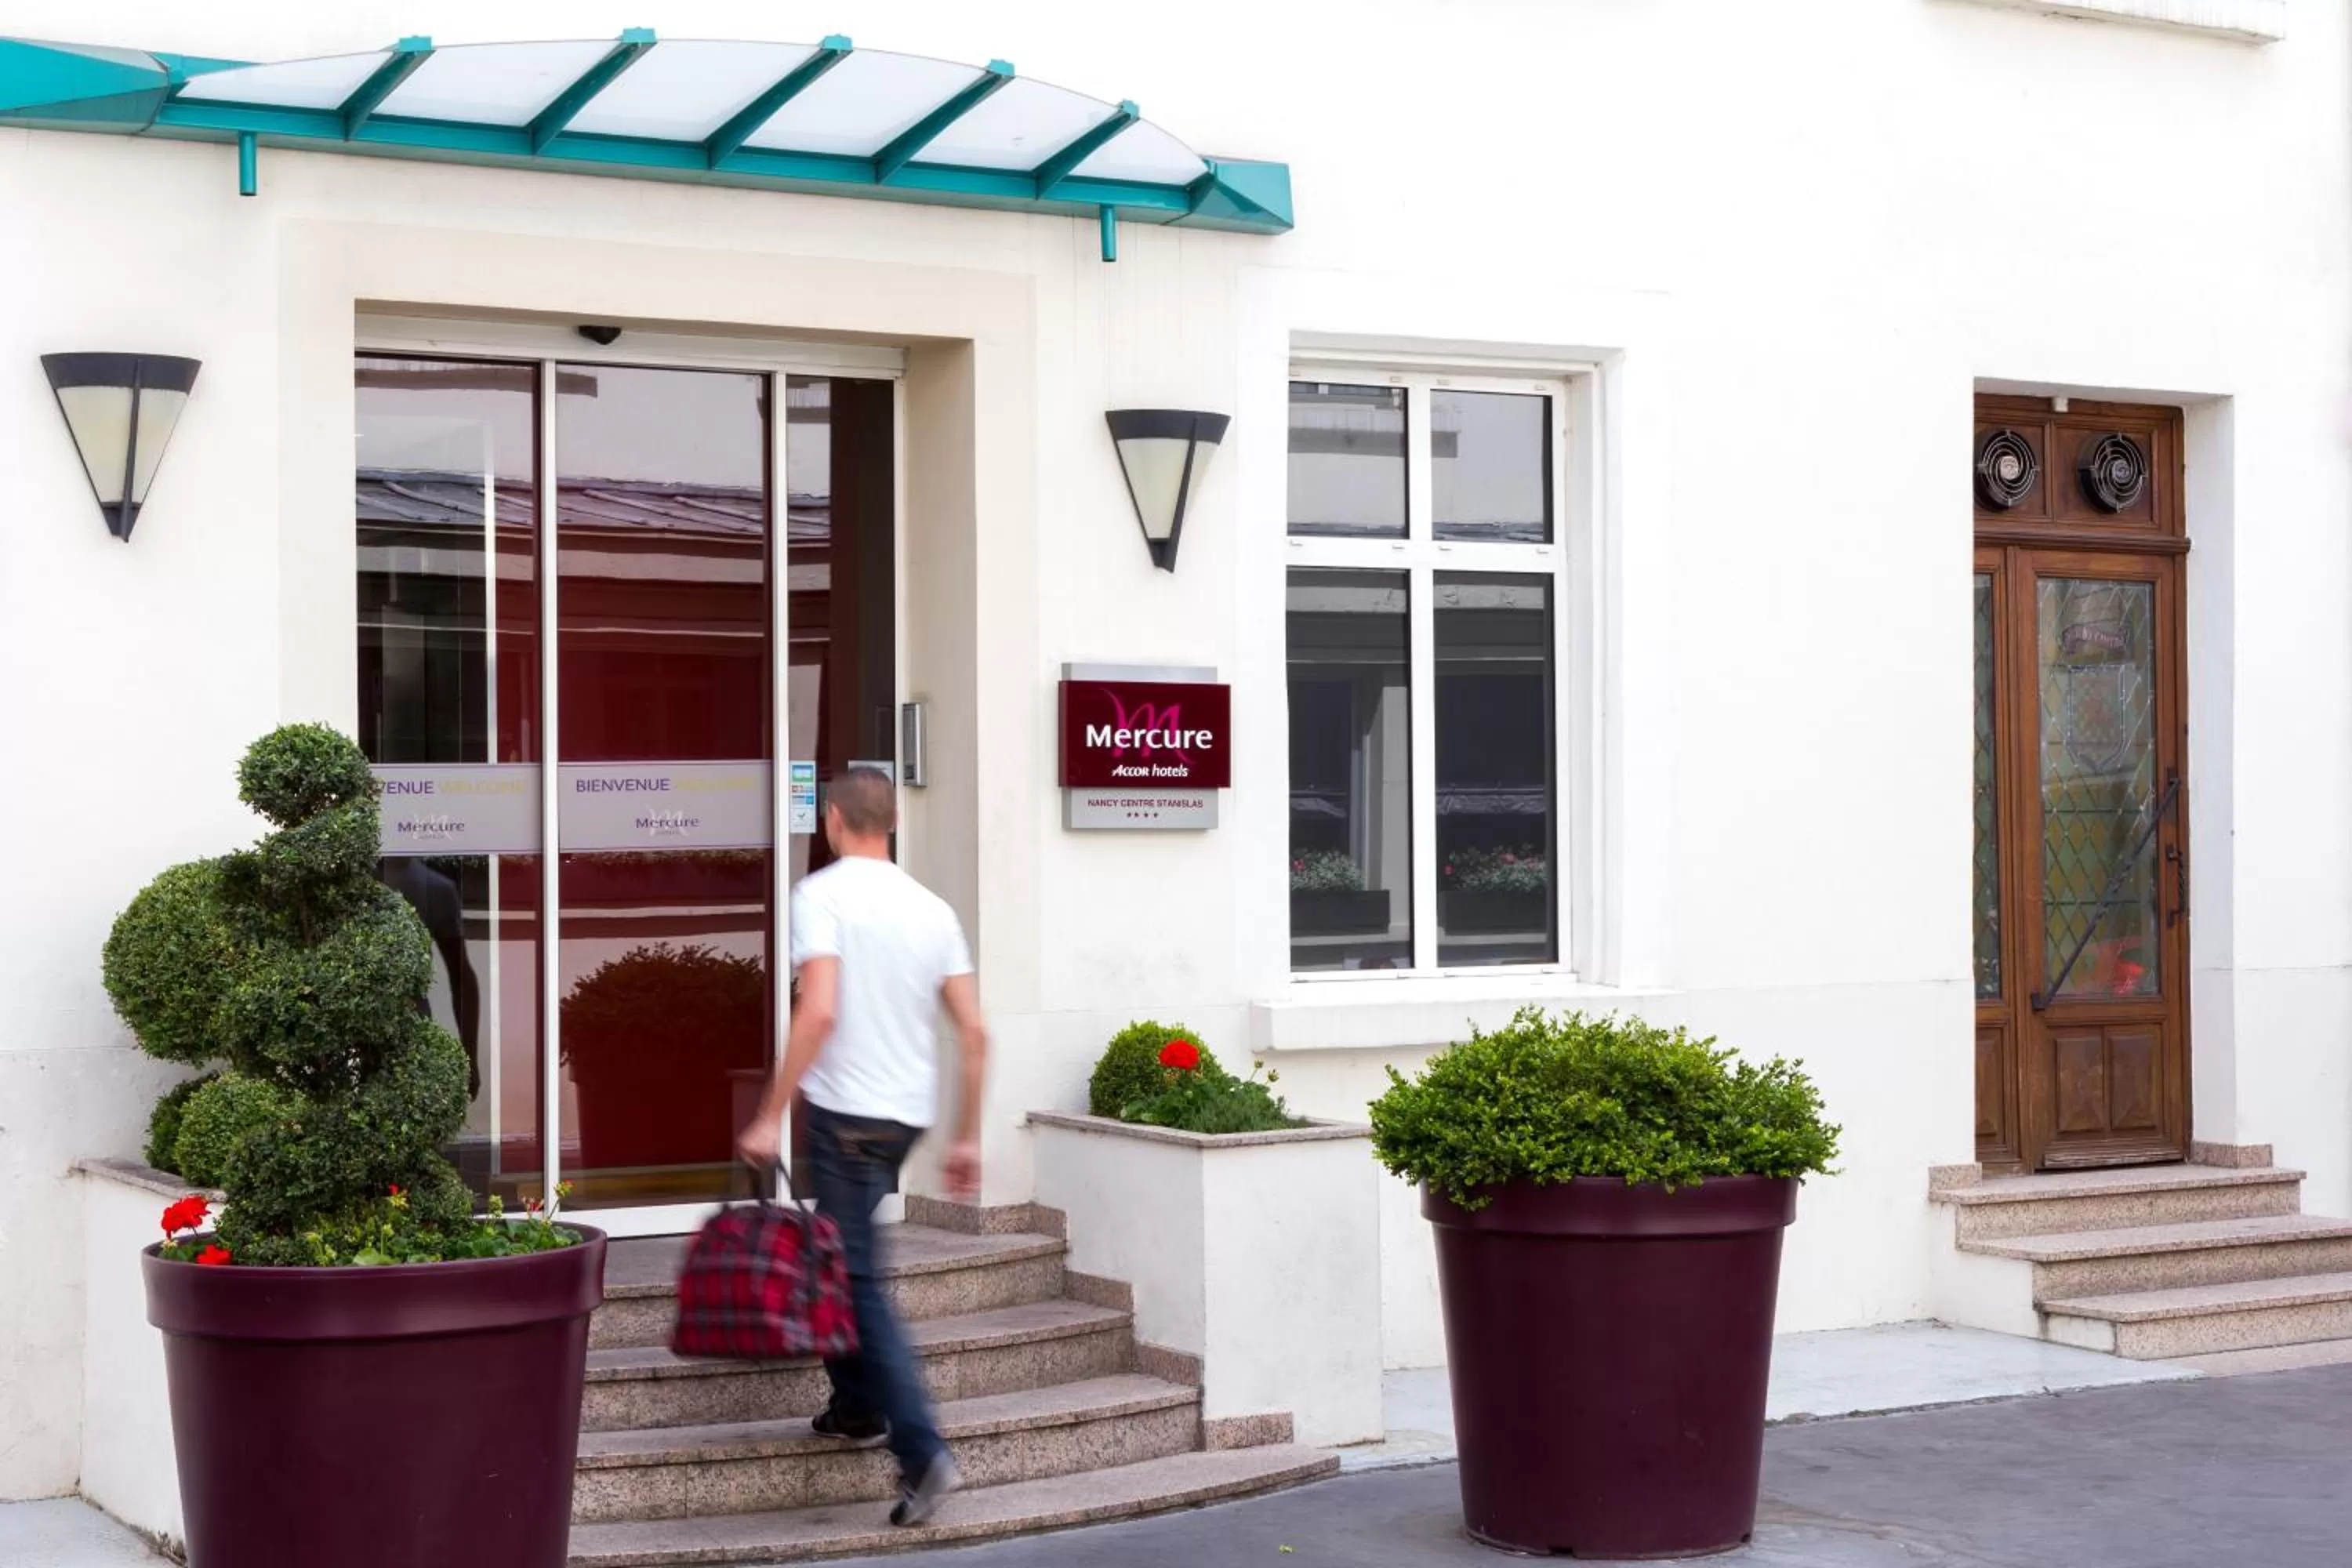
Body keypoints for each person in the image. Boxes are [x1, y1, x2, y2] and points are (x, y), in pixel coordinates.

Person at [737, 768, 987, 1529]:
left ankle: (922, 1450)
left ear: (835, 818)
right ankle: (854, 1402)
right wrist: (968, 1133)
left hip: (844, 1119)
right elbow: (974, 1033)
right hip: (902, 1120)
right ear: (894, 823)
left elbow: (817, 1010)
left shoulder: (822, 895)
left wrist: (770, 1111)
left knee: (861, 1281)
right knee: (839, 1256)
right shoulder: (932, 907)